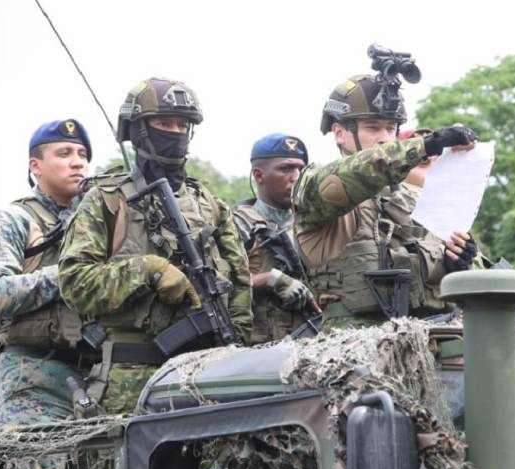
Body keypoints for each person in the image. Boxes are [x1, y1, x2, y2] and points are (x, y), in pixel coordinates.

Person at [58, 77, 253, 414]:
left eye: (183, 125)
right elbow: (73, 283)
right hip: (130, 382)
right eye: (165, 123)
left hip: (209, 374)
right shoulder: (107, 201)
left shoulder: (208, 203)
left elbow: (240, 286)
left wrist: (238, 353)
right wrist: (147, 269)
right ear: (138, 130)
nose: (175, 133)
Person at [293, 74, 479, 328]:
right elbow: (356, 173)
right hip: (352, 346)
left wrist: (453, 261)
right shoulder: (314, 187)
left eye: (391, 129)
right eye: (372, 127)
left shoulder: (413, 198)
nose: (384, 138)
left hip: (430, 334)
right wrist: (427, 145)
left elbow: (440, 279)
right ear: (339, 132)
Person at [0, 119, 92, 426]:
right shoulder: (13, 219)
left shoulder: (97, 221)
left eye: (82, 154)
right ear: (35, 166)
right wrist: (70, 274)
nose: (77, 162)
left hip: (92, 376)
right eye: (64, 153)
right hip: (30, 382)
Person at [233, 133, 320, 344]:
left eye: (301, 169)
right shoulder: (239, 226)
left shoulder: (316, 224)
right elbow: (217, 288)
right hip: (260, 354)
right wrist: (270, 280)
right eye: (286, 168)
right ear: (259, 175)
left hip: (316, 348)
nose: (297, 176)